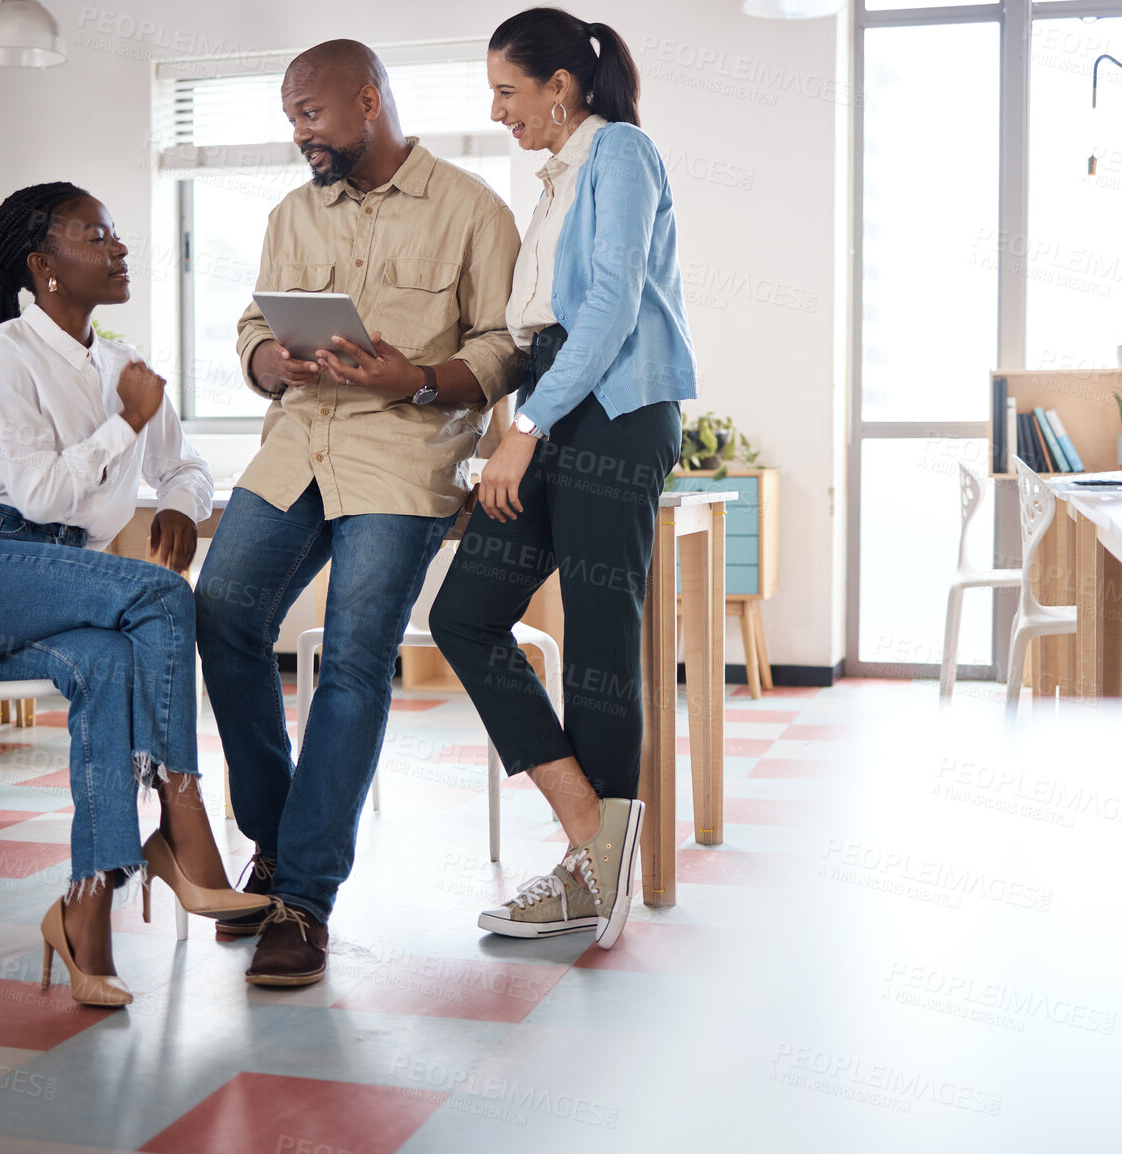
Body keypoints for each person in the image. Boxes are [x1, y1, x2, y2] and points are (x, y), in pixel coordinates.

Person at [195, 41, 522, 987]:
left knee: (353, 656)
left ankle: (302, 897)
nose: (299, 132)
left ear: (368, 100)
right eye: (291, 115)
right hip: (297, 446)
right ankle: (279, 838)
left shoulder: (471, 209)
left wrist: (416, 378)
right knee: (220, 613)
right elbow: (255, 331)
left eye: (311, 113)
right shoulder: (291, 212)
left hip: (405, 454)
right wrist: (273, 364)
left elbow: (506, 346)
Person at [0, 183, 265, 1008]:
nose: (118, 249)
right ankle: (184, 822)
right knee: (161, 596)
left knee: (107, 668)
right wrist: (125, 425)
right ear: (44, 267)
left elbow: (187, 467)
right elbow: (34, 495)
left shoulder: (120, 366)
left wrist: (179, 501)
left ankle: (85, 916)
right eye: (94, 237)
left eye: (115, 234)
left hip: (62, 580)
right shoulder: (6, 354)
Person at [430, 8, 696, 950]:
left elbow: (614, 305)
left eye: (507, 91)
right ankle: (594, 835)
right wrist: (512, 422)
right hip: (552, 399)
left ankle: (596, 879)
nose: (498, 110)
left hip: (616, 408)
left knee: (596, 625)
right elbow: (539, 323)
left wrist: (528, 428)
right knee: (463, 615)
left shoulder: (619, 151)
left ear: (560, 85)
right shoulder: (553, 178)